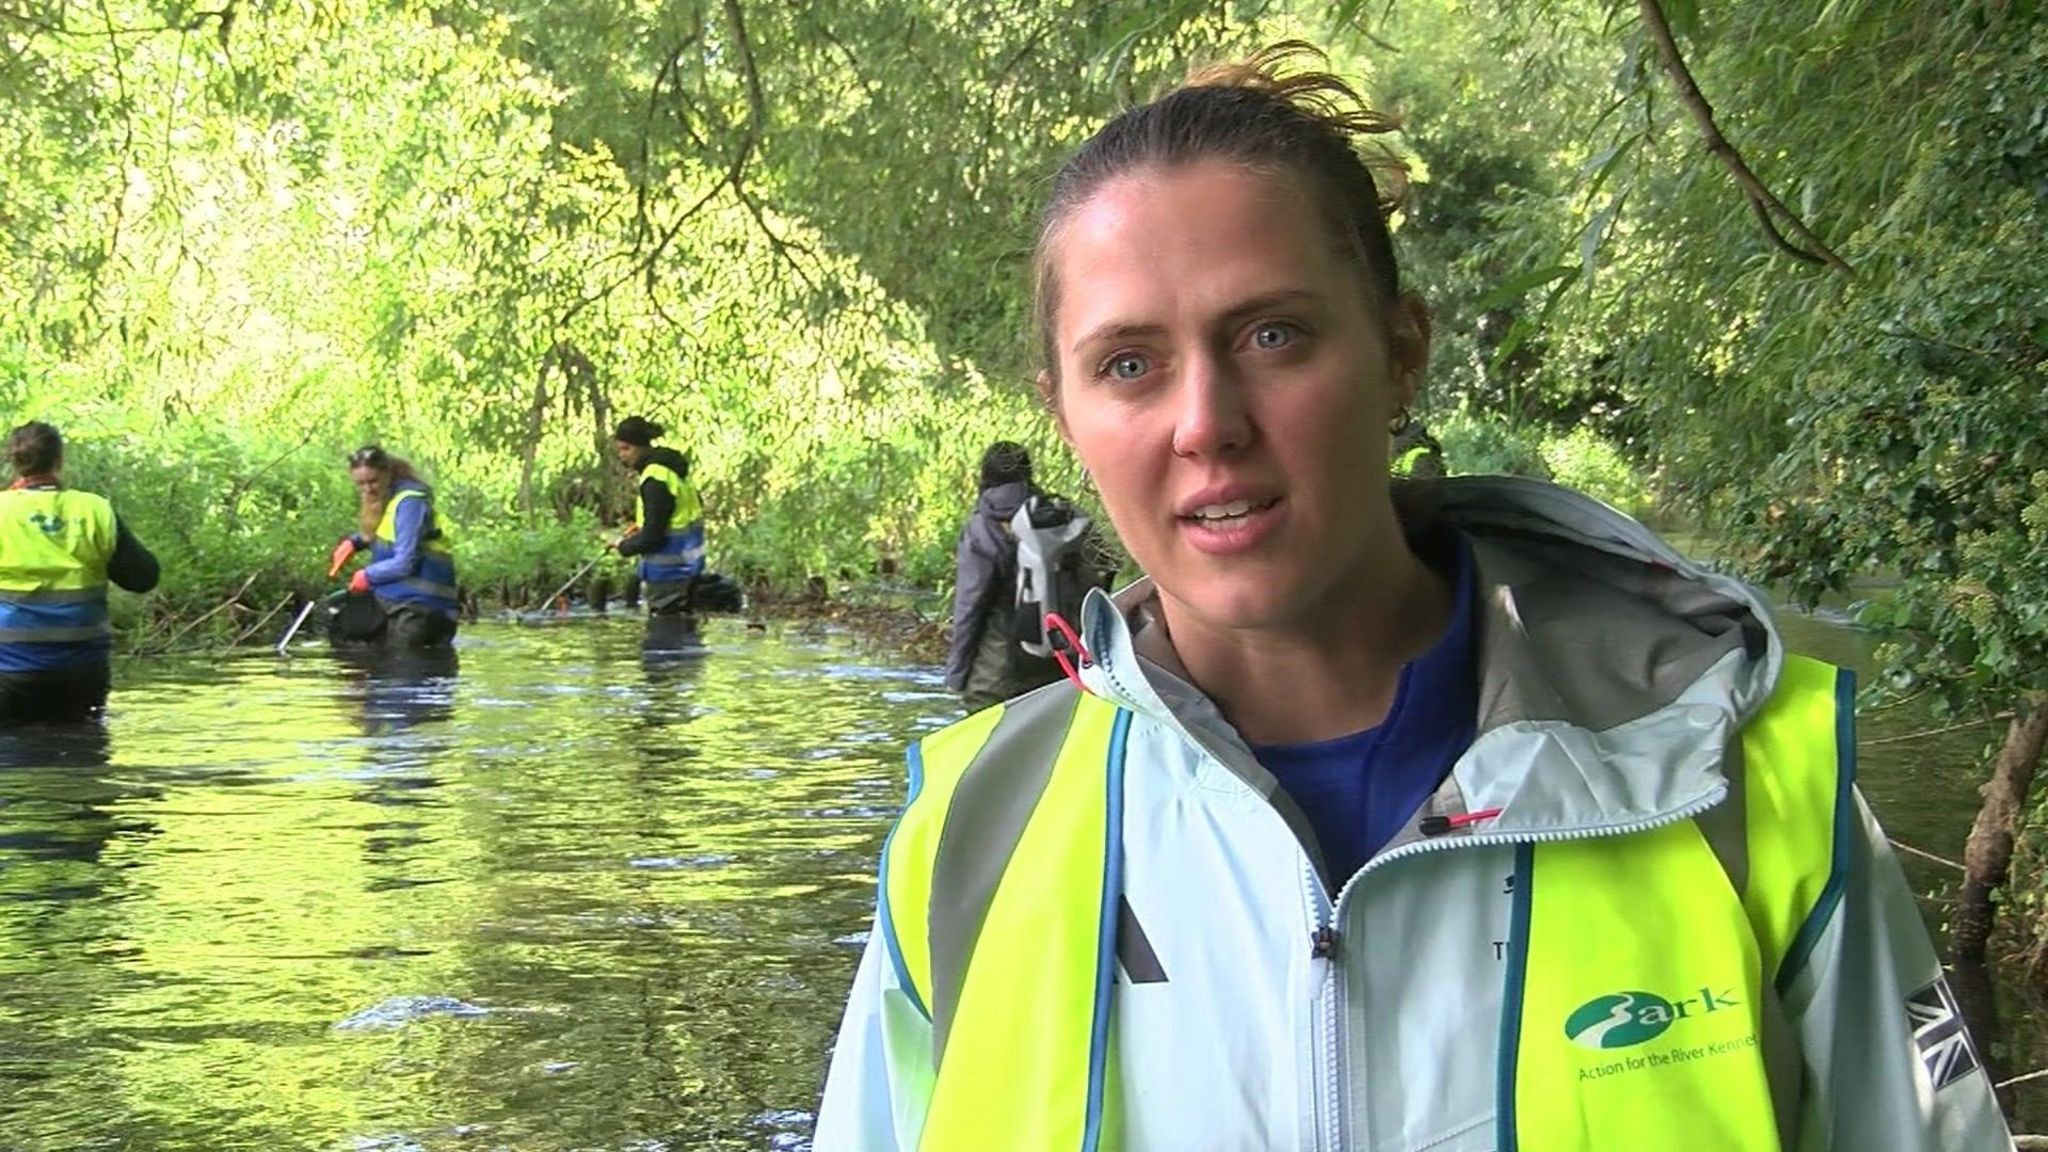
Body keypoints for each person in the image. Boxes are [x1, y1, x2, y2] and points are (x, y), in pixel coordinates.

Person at [815, 45, 2013, 1151]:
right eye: (1128, 364)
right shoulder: (970, 834)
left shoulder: (1742, 787)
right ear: (1064, 411)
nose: (1204, 425)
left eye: (1273, 335)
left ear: (1399, 352)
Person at [0, 421, 160, 725]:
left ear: (15, 461)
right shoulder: (94, 509)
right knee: (83, 757)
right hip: (82, 670)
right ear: (60, 460)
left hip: (9, 670)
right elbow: (143, 578)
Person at [945, 441, 1114, 712]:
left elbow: (970, 606)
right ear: (1027, 472)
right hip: (1059, 665)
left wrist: (956, 673)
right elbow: (1106, 567)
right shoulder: (1062, 517)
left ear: (986, 475)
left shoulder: (984, 527)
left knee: (990, 750)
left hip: (998, 673)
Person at [329, 446, 458, 648]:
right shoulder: (388, 496)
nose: (367, 490)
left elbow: (405, 562)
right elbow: (389, 532)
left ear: (387, 473)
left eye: (373, 481)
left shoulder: (410, 502)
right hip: (397, 601)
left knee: (401, 669)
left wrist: (367, 576)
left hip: (422, 609)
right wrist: (355, 542)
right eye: (360, 484)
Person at [609, 416, 705, 618]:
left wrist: (624, 546)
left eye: (626, 449)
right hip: (690, 569)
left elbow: (654, 537)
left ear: (642, 447)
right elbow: (677, 514)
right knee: (684, 631)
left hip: (667, 573)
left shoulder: (655, 479)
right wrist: (642, 527)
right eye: (619, 449)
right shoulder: (673, 470)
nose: (621, 455)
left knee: (664, 636)